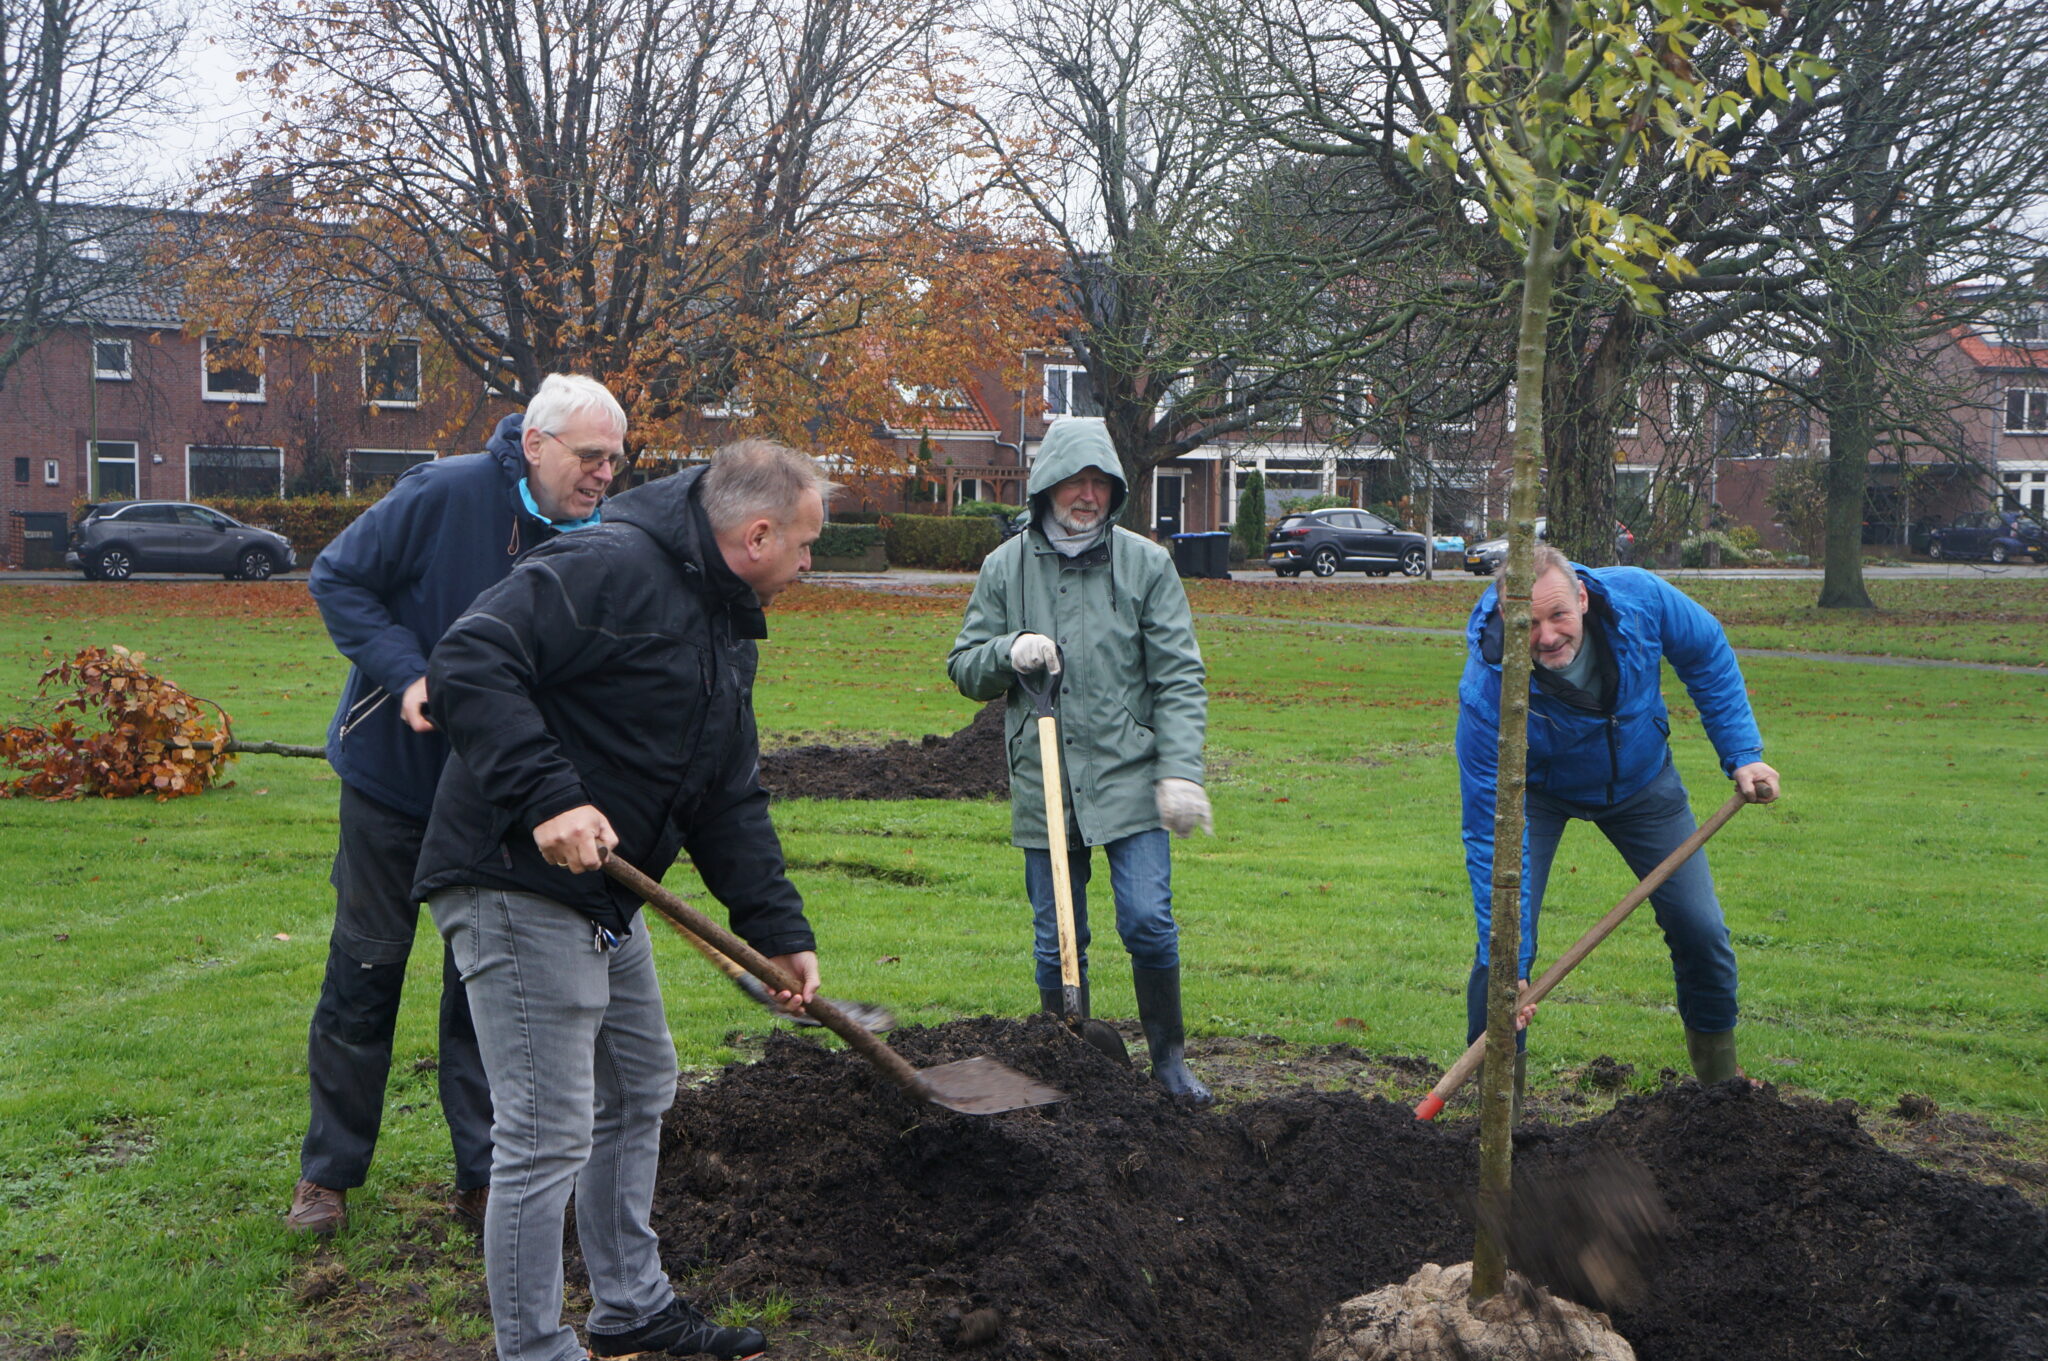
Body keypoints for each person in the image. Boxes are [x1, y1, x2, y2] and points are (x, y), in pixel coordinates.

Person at [414, 437, 829, 1361]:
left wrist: (776, 929)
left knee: (640, 1081)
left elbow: (726, 796)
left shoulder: (724, 620)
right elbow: (469, 658)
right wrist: (549, 798)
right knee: (546, 1128)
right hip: (514, 871)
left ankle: (631, 1307)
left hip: (602, 890)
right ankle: (533, 1347)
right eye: (806, 545)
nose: (810, 563)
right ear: (758, 535)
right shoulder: (609, 566)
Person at [291, 372, 626, 1235]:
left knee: (484, 990)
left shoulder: (600, 537)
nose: (604, 474)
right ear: (536, 444)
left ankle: (484, 1176)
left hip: (498, 799)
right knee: (366, 970)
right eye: (592, 456)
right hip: (395, 779)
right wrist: (407, 673)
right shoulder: (445, 493)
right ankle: (327, 1174)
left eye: (616, 460)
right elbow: (339, 577)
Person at [947, 417, 1214, 1105]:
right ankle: (1071, 1065)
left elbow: (1179, 677)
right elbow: (964, 666)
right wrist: (1008, 651)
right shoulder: (1005, 568)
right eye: (1075, 482)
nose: (1087, 496)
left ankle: (1169, 1061)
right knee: (1057, 940)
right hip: (1044, 778)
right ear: (1047, 486)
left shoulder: (1146, 565)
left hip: (1129, 774)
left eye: (1100, 483)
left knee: (1148, 921)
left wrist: (1180, 771)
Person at [1456, 543, 1781, 1100]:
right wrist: (1515, 959)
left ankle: (1720, 1095)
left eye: (1559, 615)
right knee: (1501, 961)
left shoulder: (1640, 599)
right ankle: (1499, 1118)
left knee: (1701, 931)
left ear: (1582, 598)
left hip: (1641, 782)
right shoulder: (1487, 690)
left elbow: (1705, 651)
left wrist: (1743, 753)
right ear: (1508, 619)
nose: (1547, 636)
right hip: (1535, 792)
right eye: (1529, 624)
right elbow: (1490, 829)